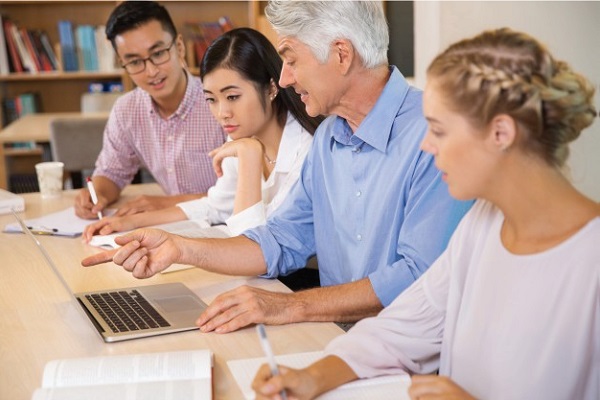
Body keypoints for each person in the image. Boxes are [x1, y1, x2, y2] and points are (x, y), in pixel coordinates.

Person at [252, 28, 600, 400]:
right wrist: (312, 377)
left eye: (439, 130)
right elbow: (405, 327)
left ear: (500, 133)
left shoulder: (589, 263)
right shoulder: (482, 226)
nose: (425, 145)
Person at [82, 1, 471, 334]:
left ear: (341, 55)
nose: (283, 78)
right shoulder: (330, 137)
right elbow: (281, 239)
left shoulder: (433, 134)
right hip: (339, 337)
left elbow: (416, 278)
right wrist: (179, 248)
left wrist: (290, 306)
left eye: (290, 58)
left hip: (407, 357)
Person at [82, 27, 321, 242]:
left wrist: (249, 156)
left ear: (270, 88)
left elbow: (255, 245)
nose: (222, 113)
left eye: (233, 97)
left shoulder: (309, 149)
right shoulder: (241, 137)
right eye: (211, 99)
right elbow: (216, 206)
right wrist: (129, 223)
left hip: (302, 281)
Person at [74, 1, 226, 219]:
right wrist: (96, 195)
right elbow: (112, 173)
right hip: (172, 228)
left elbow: (245, 193)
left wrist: (168, 204)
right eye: (135, 62)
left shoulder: (220, 102)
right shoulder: (127, 110)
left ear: (179, 48)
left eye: (158, 54)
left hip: (226, 228)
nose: (151, 71)